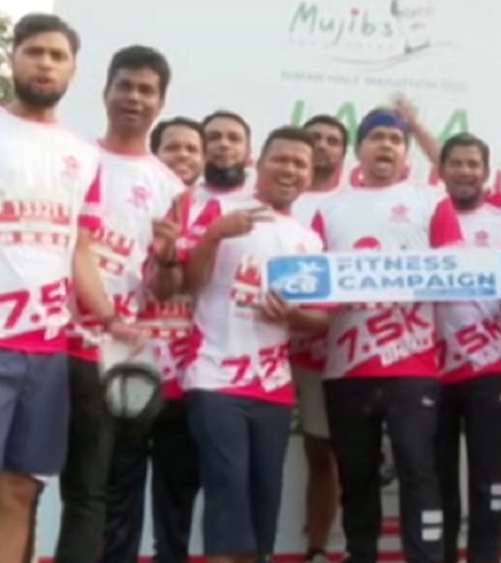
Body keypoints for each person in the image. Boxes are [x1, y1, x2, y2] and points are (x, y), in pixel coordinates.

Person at [0, 14, 139, 563]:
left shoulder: (84, 156)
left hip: (47, 351)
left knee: (20, 488)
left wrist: (111, 318)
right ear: (14, 59)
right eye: (34, 52)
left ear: (74, 69)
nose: (45, 64)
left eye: (57, 56)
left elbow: (81, 252)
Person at [313, 108, 463, 563]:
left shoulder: (431, 200)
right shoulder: (329, 208)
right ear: (358, 149)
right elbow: (314, 282)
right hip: (346, 367)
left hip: (413, 366)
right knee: (356, 475)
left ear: (406, 152)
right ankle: (361, 554)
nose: (386, 146)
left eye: (396, 140)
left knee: (419, 469)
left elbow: (457, 270)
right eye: (376, 137)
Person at [53, 45, 184, 563]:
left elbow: (162, 288)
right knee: (22, 481)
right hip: (46, 339)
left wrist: (168, 258)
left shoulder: (170, 187)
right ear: (106, 91)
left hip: (111, 354)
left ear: (160, 102)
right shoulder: (72, 158)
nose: (134, 97)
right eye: (125, 85)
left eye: (146, 90)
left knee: (93, 490)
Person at [180, 126, 330, 563]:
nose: (290, 170)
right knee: (227, 497)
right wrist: (214, 235)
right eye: (280, 160)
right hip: (214, 378)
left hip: (273, 388)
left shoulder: (309, 239)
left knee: (263, 504)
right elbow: (187, 283)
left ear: (309, 175)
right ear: (258, 164)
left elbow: (320, 318)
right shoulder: (220, 210)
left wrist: (293, 316)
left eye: (299, 164)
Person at [101, 116, 205, 563]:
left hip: (185, 379)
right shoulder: (124, 210)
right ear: (155, 155)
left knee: (177, 497)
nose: (183, 156)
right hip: (129, 369)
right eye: (172, 147)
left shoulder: (216, 217)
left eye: (192, 149)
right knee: (118, 492)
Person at [433, 133, 501, 563]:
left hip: (492, 368)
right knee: (438, 485)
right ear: (441, 170)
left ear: (486, 172)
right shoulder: (421, 217)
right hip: (430, 370)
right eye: (456, 163)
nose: (465, 172)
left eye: (473, 164)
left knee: (492, 484)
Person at [291, 113, 348, 563]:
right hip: (261, 344)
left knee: (322, 451)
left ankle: (317, 548)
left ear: (346, 153)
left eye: (333, 140)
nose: (323, 146)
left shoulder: (352, 203)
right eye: (316, 138)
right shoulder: (277, 198)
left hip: (327, 347)